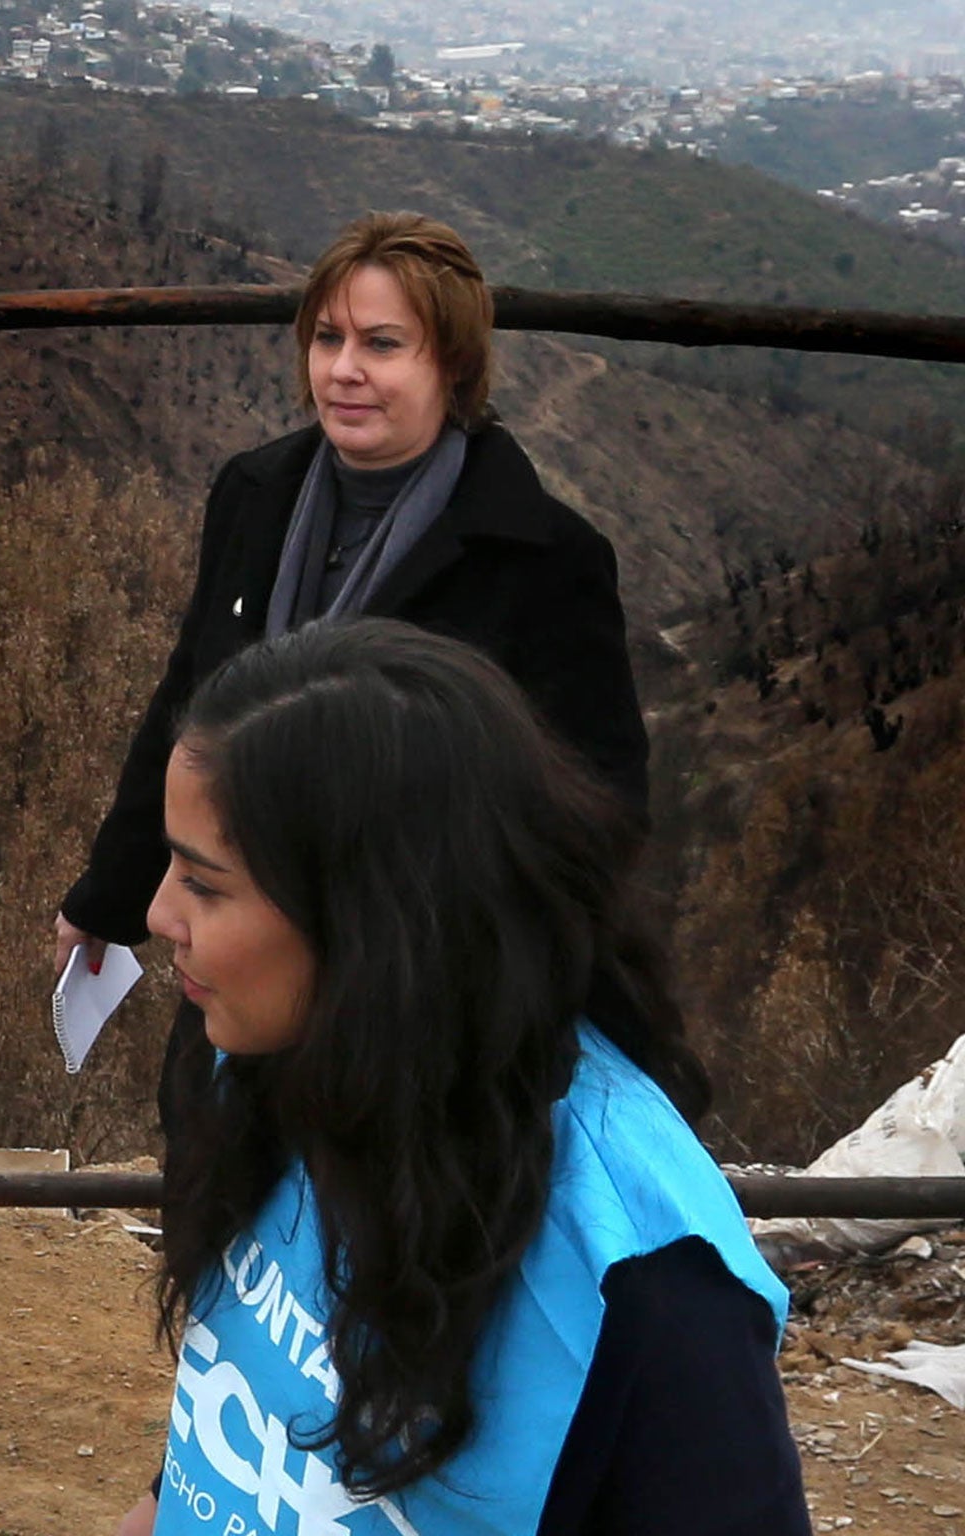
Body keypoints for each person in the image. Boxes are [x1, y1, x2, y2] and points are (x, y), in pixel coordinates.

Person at [117, 618, 806, 1536]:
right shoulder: (271, 1047)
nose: (160, 913)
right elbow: (254, 1379)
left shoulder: (650, 1289)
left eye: (205, 883)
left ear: (371, 922)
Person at [56, 213, 649, 1128]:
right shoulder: (255, 495)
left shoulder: (541, 558)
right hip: (243, 972)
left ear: (450, 363)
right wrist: (111, 894)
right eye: (328, 339)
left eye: (382, 344)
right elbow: (190, 708)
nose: (344, 370)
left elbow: (599, 811)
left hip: (411, 997)